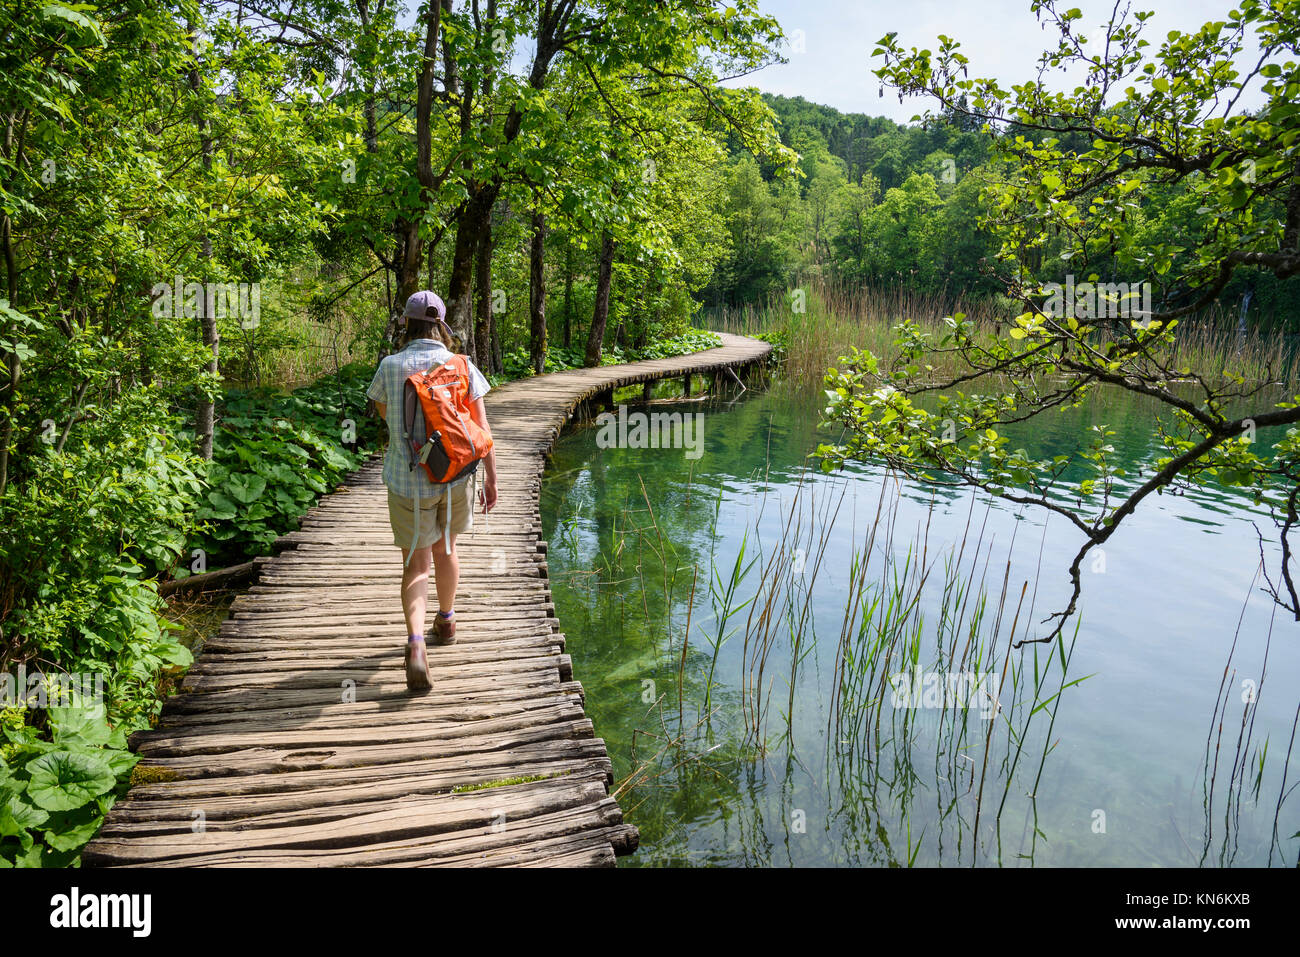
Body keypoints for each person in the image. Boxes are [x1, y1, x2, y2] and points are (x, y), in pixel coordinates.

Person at [367, 291, 498, 691]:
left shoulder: (390, 366)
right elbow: (481, 428)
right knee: (448, 549)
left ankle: (416, 643)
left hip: (408, 481)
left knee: (415, 562)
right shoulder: (461, 365)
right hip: (456, 476)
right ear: (442, 324)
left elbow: (390, 423)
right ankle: (447, 619)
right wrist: (492, 478)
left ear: (406, 323)